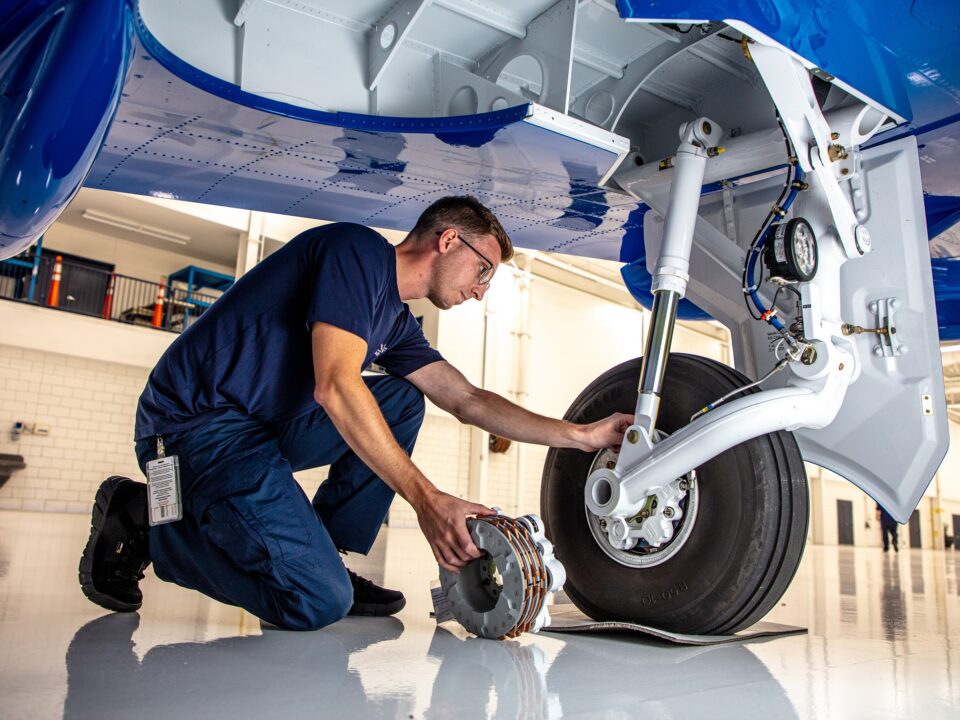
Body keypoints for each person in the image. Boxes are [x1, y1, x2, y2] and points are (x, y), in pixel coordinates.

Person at [79, 196, 632, 630]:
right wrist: (429, 500)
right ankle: (147, 522)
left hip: (259, 429)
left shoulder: (393, 321)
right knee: (317, 602)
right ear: (448, 239)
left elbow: (466, 399)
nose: (481, 292)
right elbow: (336, 387)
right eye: (483, 271)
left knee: (401, 398)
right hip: (191, 430)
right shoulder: (355, 253)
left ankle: (326, 546)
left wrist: (580, 436)